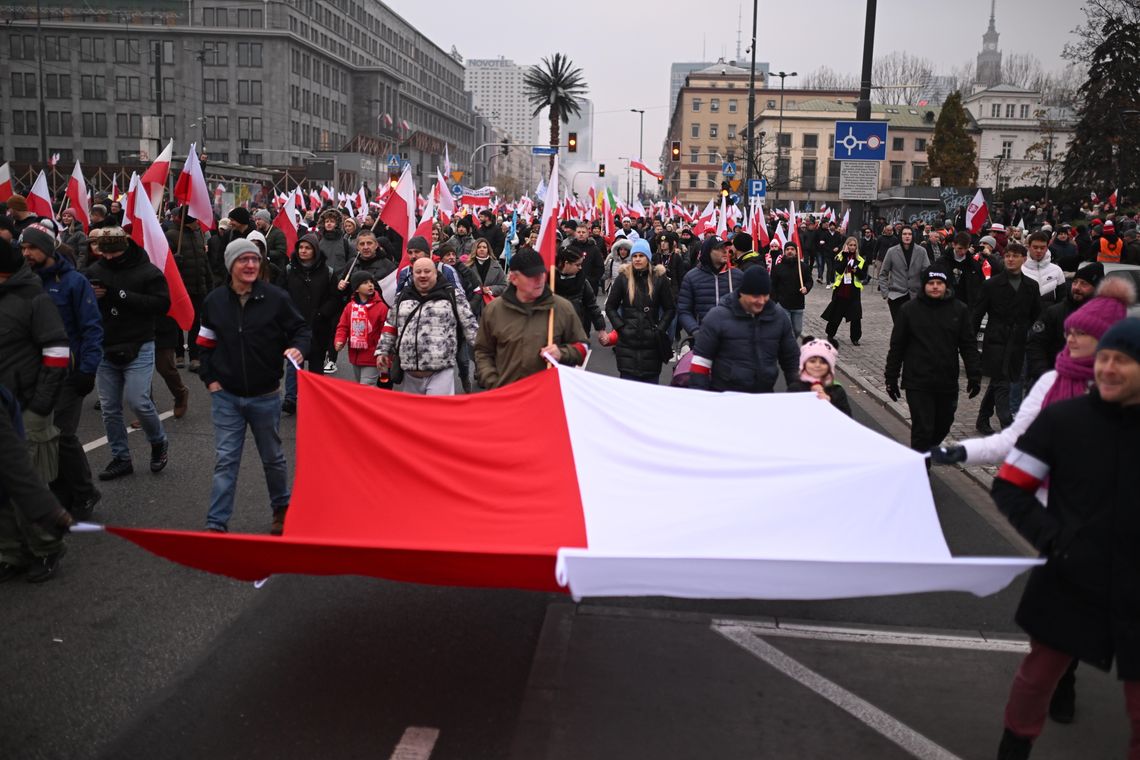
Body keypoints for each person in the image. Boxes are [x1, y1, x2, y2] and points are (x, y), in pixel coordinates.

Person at [989, 317, 1140, 760]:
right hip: (1071, 577)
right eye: (1104, 358)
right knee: (1035, 682)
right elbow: (1009, 485)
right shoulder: (1063, 421)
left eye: (1123, 361)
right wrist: (1055, 539)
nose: (1109, 369)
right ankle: (1012, 750)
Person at [196, 239, 311, 535]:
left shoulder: (276, 298)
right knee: (226, 460)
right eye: (243, 260)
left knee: (273, 458)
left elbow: (300, 329)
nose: (250, 265)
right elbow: (204, 344)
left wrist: (298, 348)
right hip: (227, 396)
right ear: (230, 265)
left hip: (265, 395)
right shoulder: (214, 302)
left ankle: (281, 509)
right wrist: (210, 380)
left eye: (254, 260)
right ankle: (216, 523)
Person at [21, 224, 104, 519]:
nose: (26, 253)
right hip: (36, 373)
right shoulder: (25, 282)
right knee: (44, 436)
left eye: (32, 247)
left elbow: (91, 328)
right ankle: (60, 490)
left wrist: (87, 370)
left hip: (69, 372)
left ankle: (84, 492)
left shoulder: (74, 283)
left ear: (48, 248)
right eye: (23, 248)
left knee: (62, 435)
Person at [84, 227, 172, 480]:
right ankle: (121, 457)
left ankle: (158, 442)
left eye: (114, 252)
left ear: (126, 246)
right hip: (106, 344)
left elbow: (161, 305)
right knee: (110, 408)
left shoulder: (148, 271)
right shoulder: (95, 271)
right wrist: (91, 297)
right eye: (105, 252)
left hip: (139, 344)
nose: (109, 257)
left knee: (138, 400)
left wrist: (117, 295)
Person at [884, 267, 981, 454]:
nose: (935, 287)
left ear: (946, 286)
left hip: (946, 380)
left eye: (939, 284)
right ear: (924, 286)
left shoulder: (959, 310)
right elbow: (897, 347)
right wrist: (891, 378)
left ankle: (926, 449)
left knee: (943, 424)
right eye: (931, 283)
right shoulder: (909, 310)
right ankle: (921, 467)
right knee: (923, 427)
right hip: (917, 380)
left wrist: (974, 375)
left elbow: (968, 345)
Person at [474, 248, 588, 389]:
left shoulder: (561, 307)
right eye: (531, 276)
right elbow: (483, 351)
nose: (539, 280)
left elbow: (583, 346)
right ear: (514, 278)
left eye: (541, 274)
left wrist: (562, 353)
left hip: (548, 396)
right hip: (507, 395)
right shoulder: (494, 310)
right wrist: (492, 381)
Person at [0, 383, 75, 583]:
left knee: (21, 466)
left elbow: (57, 354)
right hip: (10, 388)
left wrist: (43, 396)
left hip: (29, 396)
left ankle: (46, 547)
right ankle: (12, 551)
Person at [377, 257, 478, 396]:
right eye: (418, 272)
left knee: (438, 416)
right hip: (409, 374)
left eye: (427, 271)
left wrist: (487, 358)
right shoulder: (402, 297)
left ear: (435, 273)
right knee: (412, 417)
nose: (422, 275)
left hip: (441, 372)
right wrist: (382, 350)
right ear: (412, 275)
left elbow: (471, 327)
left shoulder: (454, 296)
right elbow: (390, 324)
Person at [689, 267, 799, 393]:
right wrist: (699, 396)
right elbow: (701, 362)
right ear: (742, 292)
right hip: (726, 396)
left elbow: (791, 360)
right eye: (756, 296)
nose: (761, 301)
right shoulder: (717, 317)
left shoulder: (779, 317)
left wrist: (799, 390)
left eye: (765, 295)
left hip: (764, 395)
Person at [973, 243, 1041, 435]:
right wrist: (969, 340)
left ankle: (983, 417)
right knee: (1002, 381)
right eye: (1008, 255)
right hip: (996, 340)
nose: (1010, 259)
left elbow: (1037, 316)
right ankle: (1008, 423)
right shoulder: (991, 284)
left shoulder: (1031, 286)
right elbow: (977, 315)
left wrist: (1037, 338)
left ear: (1023, 259)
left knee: (998, 380)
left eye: (1015, 256)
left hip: (1019, 342)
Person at [282, 233, 339, 415]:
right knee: (293, 363)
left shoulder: (327, 272)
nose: (303, 251)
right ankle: (291, 398)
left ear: (315, 250)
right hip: (294, 325)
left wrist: (323, 313)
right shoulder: (290, 270)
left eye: (307, 248)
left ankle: (315, 398)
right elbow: (281, 294)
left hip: (318, 326)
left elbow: (334, 298)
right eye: (301, 248)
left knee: (316, 364)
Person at [603, 239, 675, 383]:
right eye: (635, 256)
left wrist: (659, 329)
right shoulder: (623, 278)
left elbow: (670, 308)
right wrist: (621, 328)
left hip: (652, 345)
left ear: (647, 257)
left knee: (650, 391)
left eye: (641, 256)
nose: (637, 259)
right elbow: (610, 306)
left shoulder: (659, 279)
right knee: (628, 391)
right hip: (627, 344)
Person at [1024, 262, 1103, 385]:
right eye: (1075, 282)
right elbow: (1036, 345)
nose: (1077, 287)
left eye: (1084, 284)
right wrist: (1044, 375)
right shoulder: (1054, 312)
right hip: (1050, 381)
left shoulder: (1103, 317)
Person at [165, 212, 212, 372]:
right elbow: (163, 260)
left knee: (196, 323)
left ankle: (195, 357)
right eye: (196, 220)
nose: (199, 223)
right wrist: (173, 258)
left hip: (198, 286)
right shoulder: (171, 235)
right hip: (180, 287)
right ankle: (179, 354)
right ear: (188, 221)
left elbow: (203, 259)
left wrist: (209, 281)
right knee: (178, 323)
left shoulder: (198, 234)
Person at [334, 271, 388, 387]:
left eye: (371, 282)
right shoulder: (350, 307)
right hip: (355, 355)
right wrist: (340, 340)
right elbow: (343, 326)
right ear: (357, 289)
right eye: (365, 283)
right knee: (361, 387)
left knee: (366, 386)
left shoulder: (381, 307)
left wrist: (383, 351)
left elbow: (386, 331)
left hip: (373, 355)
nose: (370, 285)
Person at [677, 236, 735, 338]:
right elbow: (684, 310)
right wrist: (695, 331)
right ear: (708, 252)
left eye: (725, 248)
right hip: (703, 341)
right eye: (718, 248)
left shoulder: (737, 276)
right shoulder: (691, 277)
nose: (725, 251)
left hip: (732, 340)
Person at [821, 236, 869, 346]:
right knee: (836, 314)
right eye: (850, 245)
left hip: (854, 290)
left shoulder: (860, 260)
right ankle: (830, 334)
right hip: (841, 289)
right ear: (846, 246)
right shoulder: (840, 256)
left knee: (856, 315)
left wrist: (856, 270)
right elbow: (838, 269)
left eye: (854, 245)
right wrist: (845, 256)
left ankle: (855, 338)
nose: (852, 247)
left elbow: (863, 276)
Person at [790, 336, 852, 416]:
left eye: (823, 362)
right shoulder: (796, 387)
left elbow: (847, 418)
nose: (817, 365)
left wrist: (829, 402)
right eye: (812, 361)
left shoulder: (837, 390)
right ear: (804, 364)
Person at [878, 226, 930, 322]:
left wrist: (925, 292)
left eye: (909, 234)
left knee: (914, 327)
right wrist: (885, 293)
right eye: (904, 234)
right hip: (896, 296)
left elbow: (927, 273)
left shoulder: (921, 251)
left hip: (915, 296)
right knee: (899, 328)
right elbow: (883, 273)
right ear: (900, 236)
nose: (907, 236)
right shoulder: (892, 251)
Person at [552, 249, 605, 339]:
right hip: (555, 332)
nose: (580, 268)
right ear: (566, 263)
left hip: (577, 331)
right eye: (577, 265)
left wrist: (601, 329)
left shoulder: (582, 282)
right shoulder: (551, 281)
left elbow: (592, 306)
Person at [769, 241, 812, 338]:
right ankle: (790, 350)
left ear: (796, 252)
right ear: (784, 252)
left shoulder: (802, 267)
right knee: (788, 330)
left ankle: (790, 345)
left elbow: (809, 281)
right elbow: (772, 285)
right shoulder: (778, 268)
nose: (790, 251)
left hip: (798, 304)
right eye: (787, 249)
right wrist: (776, 301)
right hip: (783, 304)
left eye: (792, 249)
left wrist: (806, 288)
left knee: (797, 330)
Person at [941, 232, 987, 308]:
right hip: (947, 305)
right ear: (953, 245)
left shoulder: (974, 265)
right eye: (960, 248)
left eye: (966, 248)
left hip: (968, 306)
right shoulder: (942, 262)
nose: (963, 252)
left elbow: (980, 284)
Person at [1022, 231, 1067, 308]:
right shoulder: (1020, 270)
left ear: (1047, 248)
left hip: (1049, 317)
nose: (1039, 251)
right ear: (1029, 247)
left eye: (1042, 248)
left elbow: (1062, 298)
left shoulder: (1057, 270)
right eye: (1035, 247)